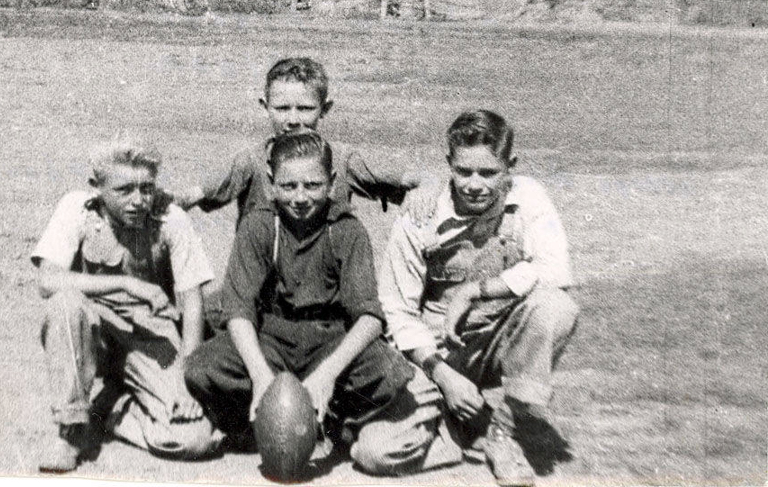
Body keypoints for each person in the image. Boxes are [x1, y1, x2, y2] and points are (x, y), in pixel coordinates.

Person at [357, 110, 579, 487]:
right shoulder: (420, 216)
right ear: (449, 165)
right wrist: (443, 376)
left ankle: (503, 432)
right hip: (438, 350)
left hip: (497, 340)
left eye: (489, 173)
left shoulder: (528, 196)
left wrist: (475, 290)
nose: (474, 184)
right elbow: (396, 309)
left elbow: (556, 271)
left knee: (556, 306)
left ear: (510, 166)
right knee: (375, 452)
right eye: (463, 172)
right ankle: (469, 426)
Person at [183, 130, 414, 470]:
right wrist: (261, 375)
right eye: (289, 186)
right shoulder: (260, 225)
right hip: (272, 335)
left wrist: (326, 376)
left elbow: (369, 317)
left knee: (391, 372)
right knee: (202, 368)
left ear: (332, 182)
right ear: (272, 183)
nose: (301, 197)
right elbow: (238, 309)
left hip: (328, 337)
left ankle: (337, 421)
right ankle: (251, 425)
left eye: (313, 185)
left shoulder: (346, 230)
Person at [31, 139, 220, 472]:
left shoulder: (171, 217)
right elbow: (48, 280)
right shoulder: (77, 208)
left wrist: (190, 380)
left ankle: (111, 408)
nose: (138, 201)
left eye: (146, 188)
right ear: (97, 187)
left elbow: (192, 300)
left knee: (194, 439)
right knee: (66, 305)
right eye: (124, 190)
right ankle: (71, 430)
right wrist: (126, 282)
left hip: (150, 333)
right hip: (94, 330)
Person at [169, 57, 437, 224]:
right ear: (265, 106)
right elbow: (194, 195)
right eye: (282, 108)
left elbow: (423, 177)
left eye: (305, 109)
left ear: (325, 108)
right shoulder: (250, 160)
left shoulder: (343, 159)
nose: (293, 119)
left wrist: (424, 189)